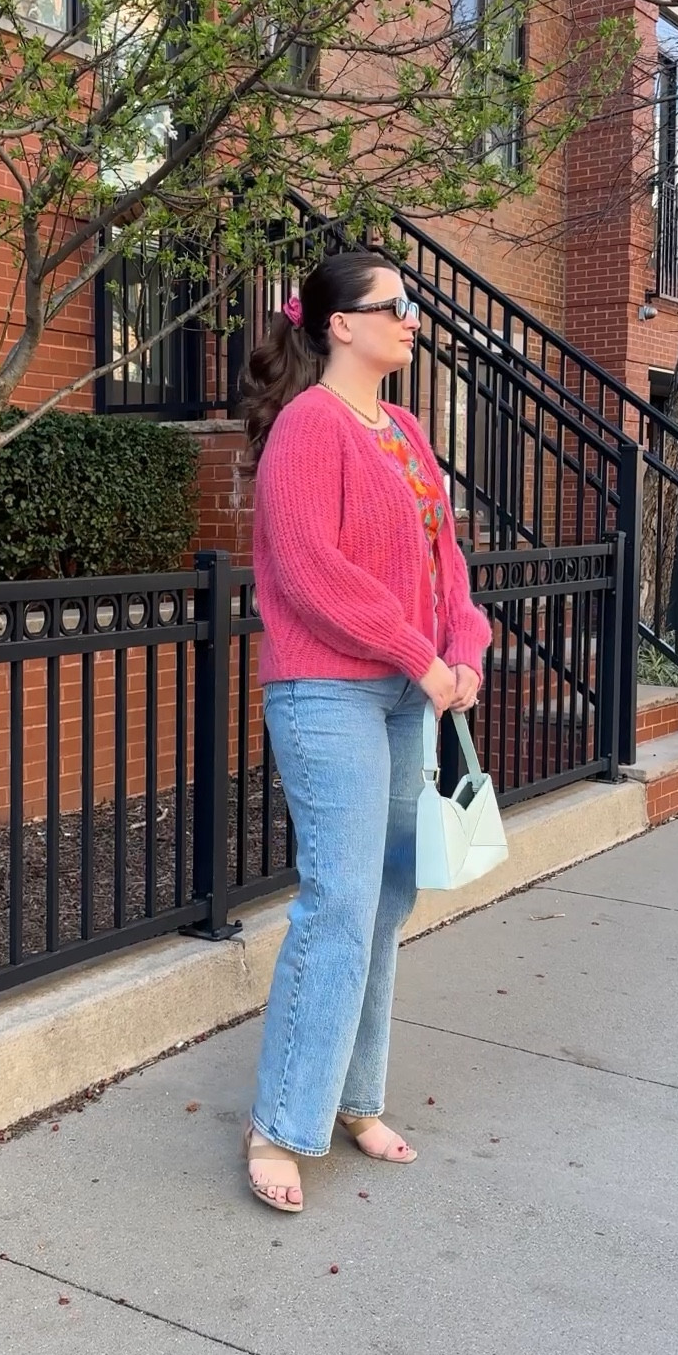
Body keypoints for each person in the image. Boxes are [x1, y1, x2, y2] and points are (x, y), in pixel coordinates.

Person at [239, 250, 492, 1213]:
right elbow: (313, 571)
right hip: (328, 693)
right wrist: (416, 655)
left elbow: (447, 561)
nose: (413, 319)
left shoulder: (405, 430)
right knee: (339, 901)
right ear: (339, 324)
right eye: (396, 305)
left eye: (412, 305)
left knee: (388, 900)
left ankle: (354, 1095)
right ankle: (279, 1123)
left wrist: (461, 649)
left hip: (404, 692)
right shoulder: (310, 425)